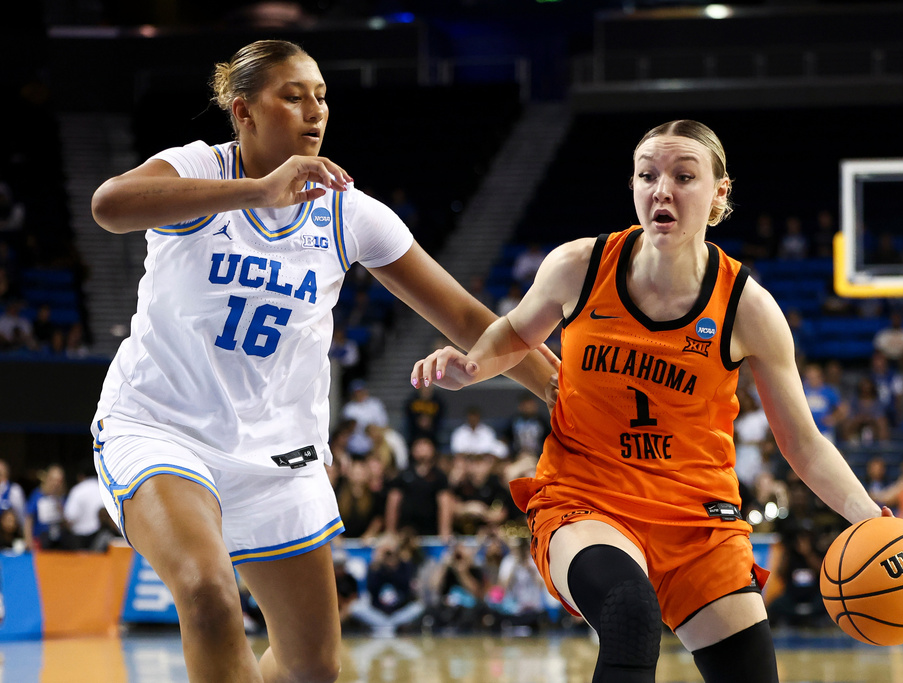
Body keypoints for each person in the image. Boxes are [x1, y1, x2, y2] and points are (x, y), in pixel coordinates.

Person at [88, 40, 558, 683]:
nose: (315, 110)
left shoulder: (348, 211)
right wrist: (257, 192)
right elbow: (109, 205)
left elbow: (470, 319)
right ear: (243, 111)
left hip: (277, 451)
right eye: (293, 96)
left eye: (321, 97)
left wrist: (566, 394)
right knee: (207, 593)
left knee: (312, 666)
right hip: (160, 428)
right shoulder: (198, 166)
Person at [411, 119, 887, 683]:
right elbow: (516, 332)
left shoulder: (748, 307)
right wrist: (474, 365)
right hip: (586, 500)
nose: (662, 190)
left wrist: (871, 519)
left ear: (718, 194)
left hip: (698, 518)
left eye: (683, 176)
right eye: (647, 175)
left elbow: (802, 444)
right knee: (630, 613)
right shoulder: (579, 267)